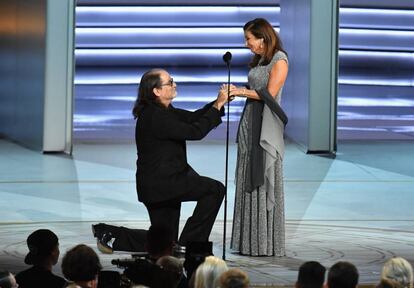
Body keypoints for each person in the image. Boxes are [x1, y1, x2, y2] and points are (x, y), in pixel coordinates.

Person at [133, 68, 228, 247]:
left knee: (164, 243)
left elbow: (193, 118)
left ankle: (180, 250)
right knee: (214, 190)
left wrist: (219, 102)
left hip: (159, 185)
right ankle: (190, 245)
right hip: (165, 183)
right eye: (170, 82)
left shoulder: (162, 110)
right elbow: (195, 131)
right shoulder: (156, 116)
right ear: (156, 91)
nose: (174, 84)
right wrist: (217, 106)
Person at [229, 18, 289, 256]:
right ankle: (247, 242)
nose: (246, 44)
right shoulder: (260, 60)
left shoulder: (279, 59)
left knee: (263, 177)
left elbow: (270, 94)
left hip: (266, 125)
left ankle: (264, 243)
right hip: (249, 123)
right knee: (246, 177)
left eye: (249, 38)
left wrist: (241, 91)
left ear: (263, 37)